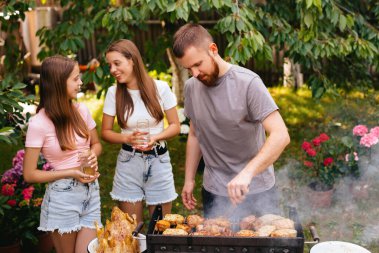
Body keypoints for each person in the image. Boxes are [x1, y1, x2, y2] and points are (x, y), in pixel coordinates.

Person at [173, 24, 290, 219]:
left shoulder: (248, 83)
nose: (194, 73)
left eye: (198, 64)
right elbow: (195, 134)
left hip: (256, 190)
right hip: (214, 191)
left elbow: (281, 135)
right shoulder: (191, 87)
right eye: (188, 68)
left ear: (213, 50)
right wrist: (189, 179)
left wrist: (247, 173)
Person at [23, 55, 102, 253]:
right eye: (75, 79)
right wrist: (71, 172)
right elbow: (30, 174)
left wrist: (93, 154)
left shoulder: (82, 111)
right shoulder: (38, 124)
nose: (81, 83)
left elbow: (97, 144)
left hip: (91, 193)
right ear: (59, 83)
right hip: (62, 199)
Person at [101, 39, 180, 223]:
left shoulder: (160, 88)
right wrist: (127, 137)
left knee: (160, 228)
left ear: (132, 60)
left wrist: (156, 137)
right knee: (132, 230)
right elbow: (105, 132)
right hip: (129, 163)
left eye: (117, 63)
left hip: (159, 161)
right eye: (110, 65)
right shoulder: (114, 93)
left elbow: (175, 125)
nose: (112, 70)